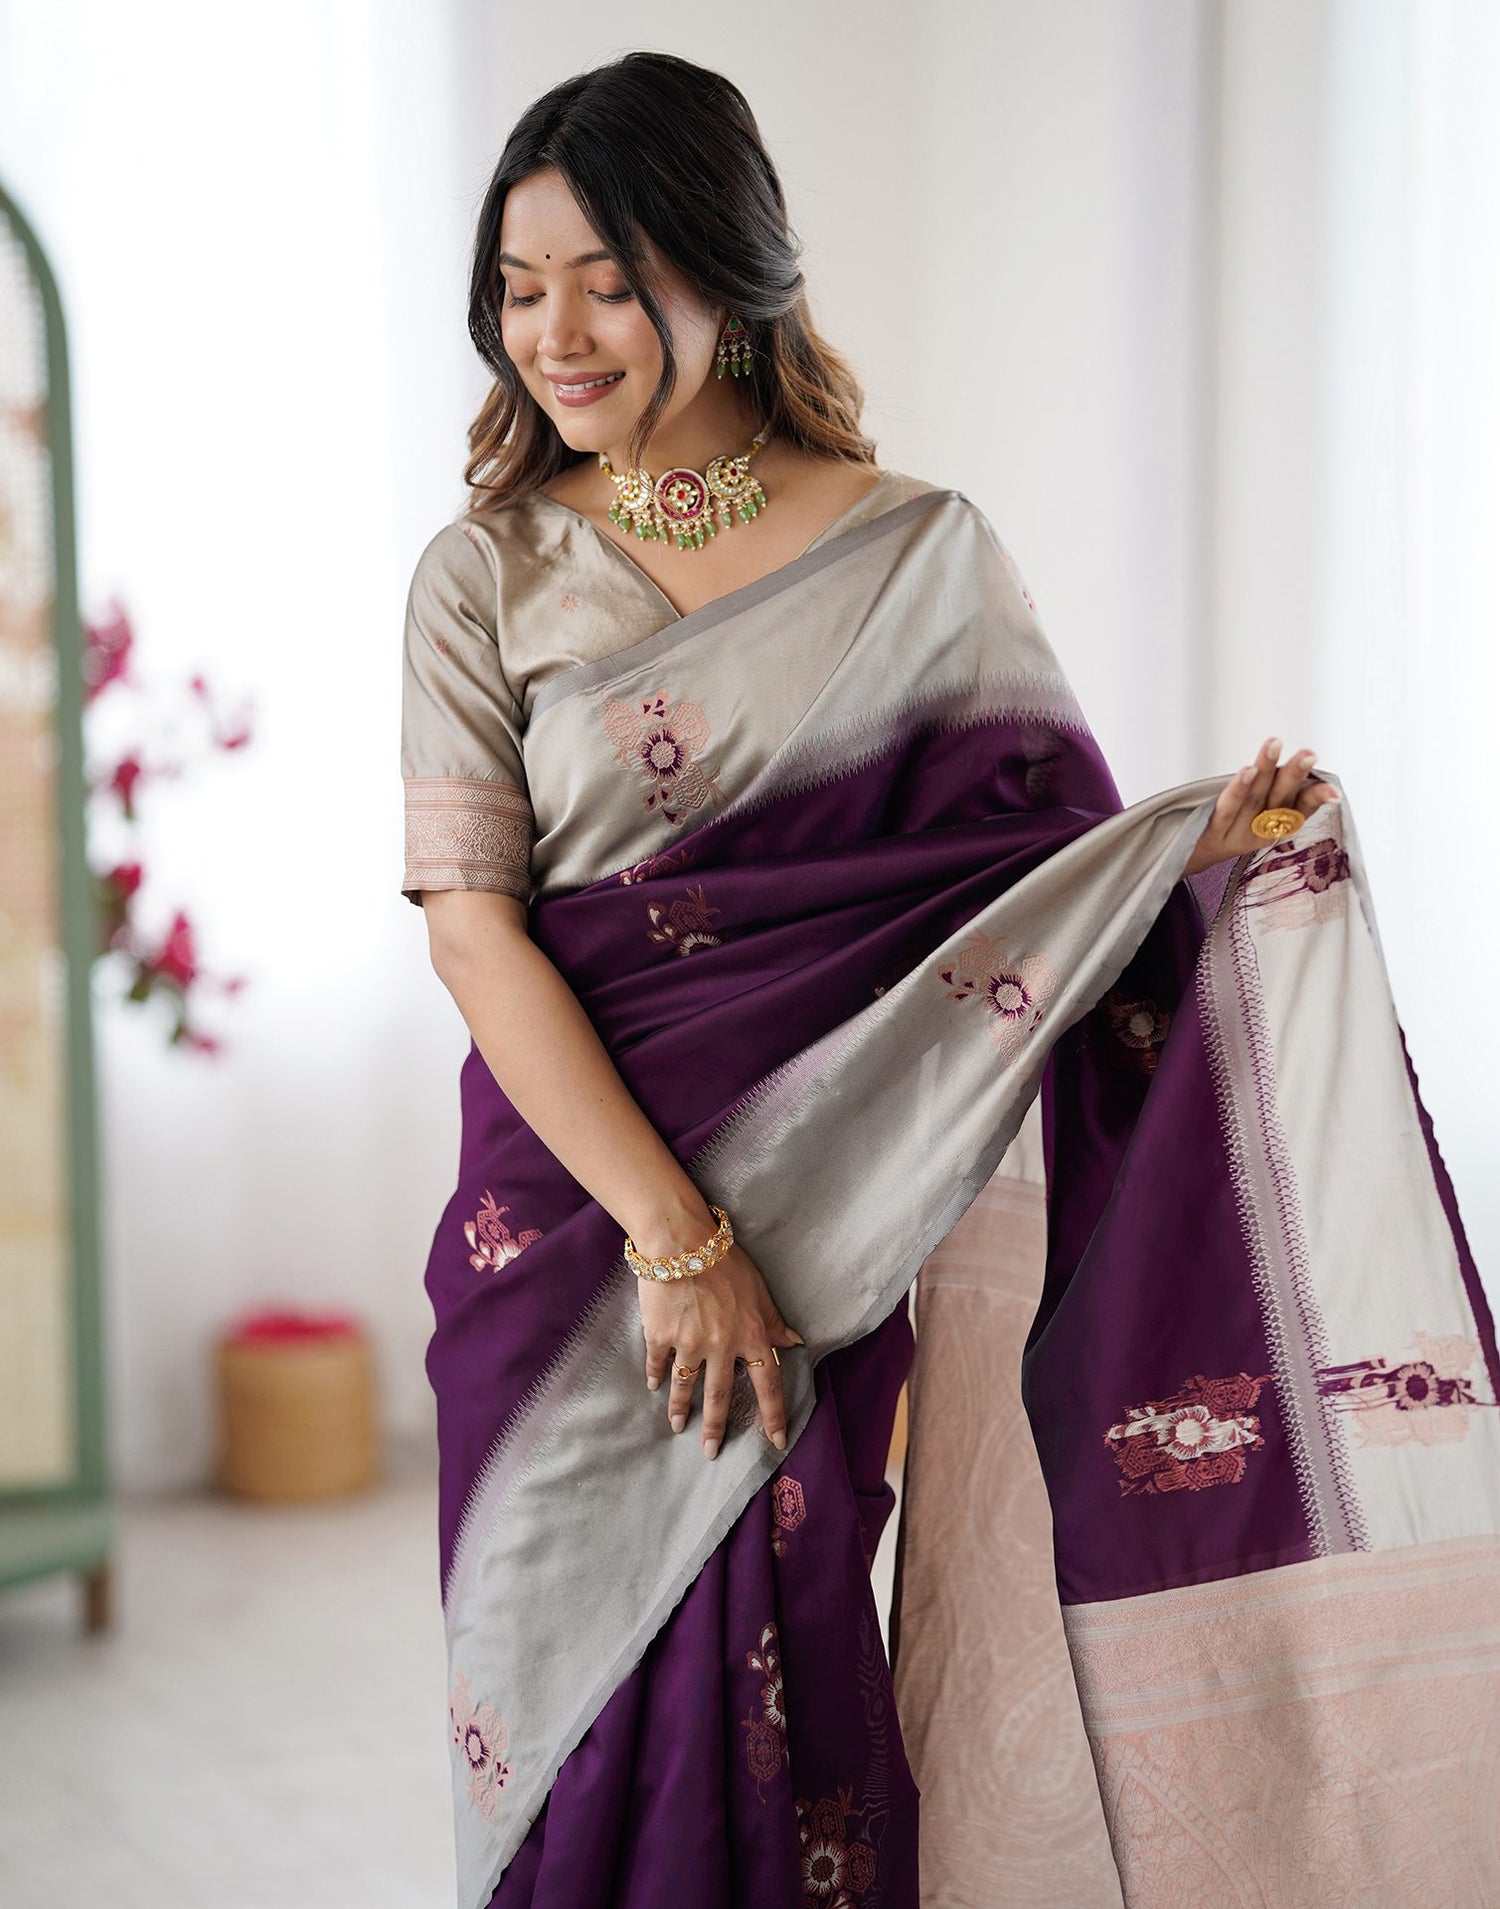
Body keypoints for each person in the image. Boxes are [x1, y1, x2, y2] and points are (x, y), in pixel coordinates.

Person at [400, 50, 1500, 1909]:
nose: (556, 335)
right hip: (572, 1240)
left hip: (831, 1227)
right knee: (566, 1715)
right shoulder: (484, 574)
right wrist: (679, 1241)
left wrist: (1199, 848)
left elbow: (1024, 893)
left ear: (723, 266)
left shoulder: (920, 558)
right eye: (519, 288)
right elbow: (470, 924)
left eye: (607, 275)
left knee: (800, 1690)